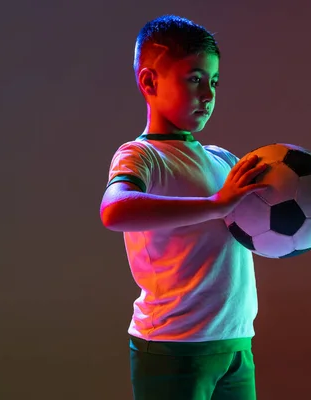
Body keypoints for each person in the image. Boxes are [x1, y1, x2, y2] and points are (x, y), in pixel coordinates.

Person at [100, 14, 268, 400]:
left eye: (214, 82)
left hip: (235, 342)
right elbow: (115, 210)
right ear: (149, 82)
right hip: (174, 345)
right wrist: (214, 204)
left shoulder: (223, 159)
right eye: (194, 79)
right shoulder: (141, 156)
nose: (208, 94)